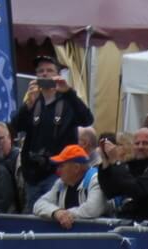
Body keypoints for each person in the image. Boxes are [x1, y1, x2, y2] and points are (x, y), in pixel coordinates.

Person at [13, 54, 95, 212]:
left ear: (58, 75)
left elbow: (87, 119)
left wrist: (68, 92)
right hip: (33, 173)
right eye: (40, 71)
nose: (44, 74)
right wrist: (27, 106)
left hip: (58, 171)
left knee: (54, 211)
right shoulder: (33, 101)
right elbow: (16, 126)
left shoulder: (68, 101)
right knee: (33, 213)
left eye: (49, 70)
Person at [98, 127, 148, 220]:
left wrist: (117, 162)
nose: (140, 147)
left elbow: (138, 189)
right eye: (137, 143)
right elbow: (110, 192)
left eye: (146, 143)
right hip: (127, 219)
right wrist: (105, 163)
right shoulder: (132, 164)